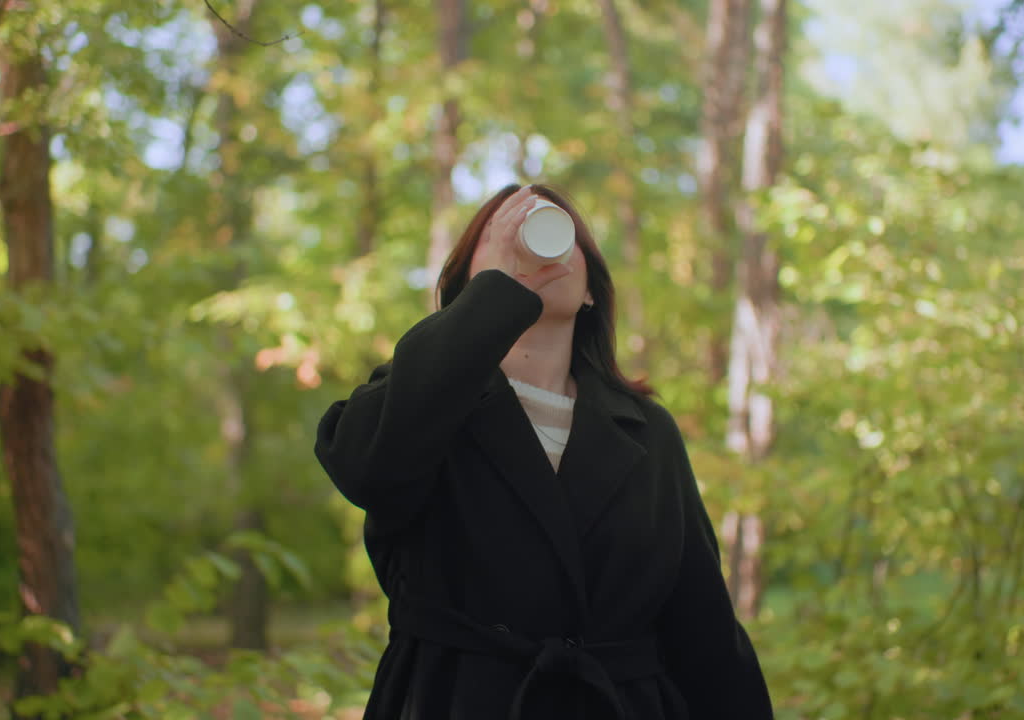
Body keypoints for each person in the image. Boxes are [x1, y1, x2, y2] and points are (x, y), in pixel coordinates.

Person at [315, 184, 774, 719]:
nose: (532, 243)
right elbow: (367, 468)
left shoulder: (648, 432)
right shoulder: (418, 404)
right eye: (502, 233)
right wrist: (495, 292)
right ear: (472, 285)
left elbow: (703, 628)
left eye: (559, 231)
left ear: (591, 292)